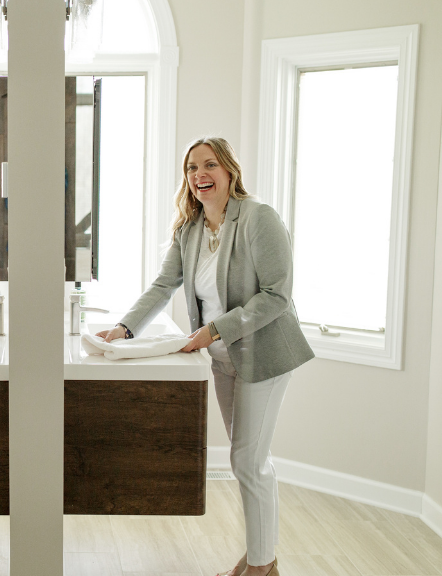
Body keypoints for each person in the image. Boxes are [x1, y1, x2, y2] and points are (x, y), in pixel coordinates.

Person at [97, 137, 314, 576]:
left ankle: (262, 565)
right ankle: (261, 558)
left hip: (265, 355)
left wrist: (215, 329)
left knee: (248, 462)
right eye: (192, 167)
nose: (199, 174)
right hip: (222, 358)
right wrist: (124, 328)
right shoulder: (190, 230)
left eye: (209, 164)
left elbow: (277, 296)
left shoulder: (258, 219)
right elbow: (163, 285)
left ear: (229, 170)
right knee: (247, 460)